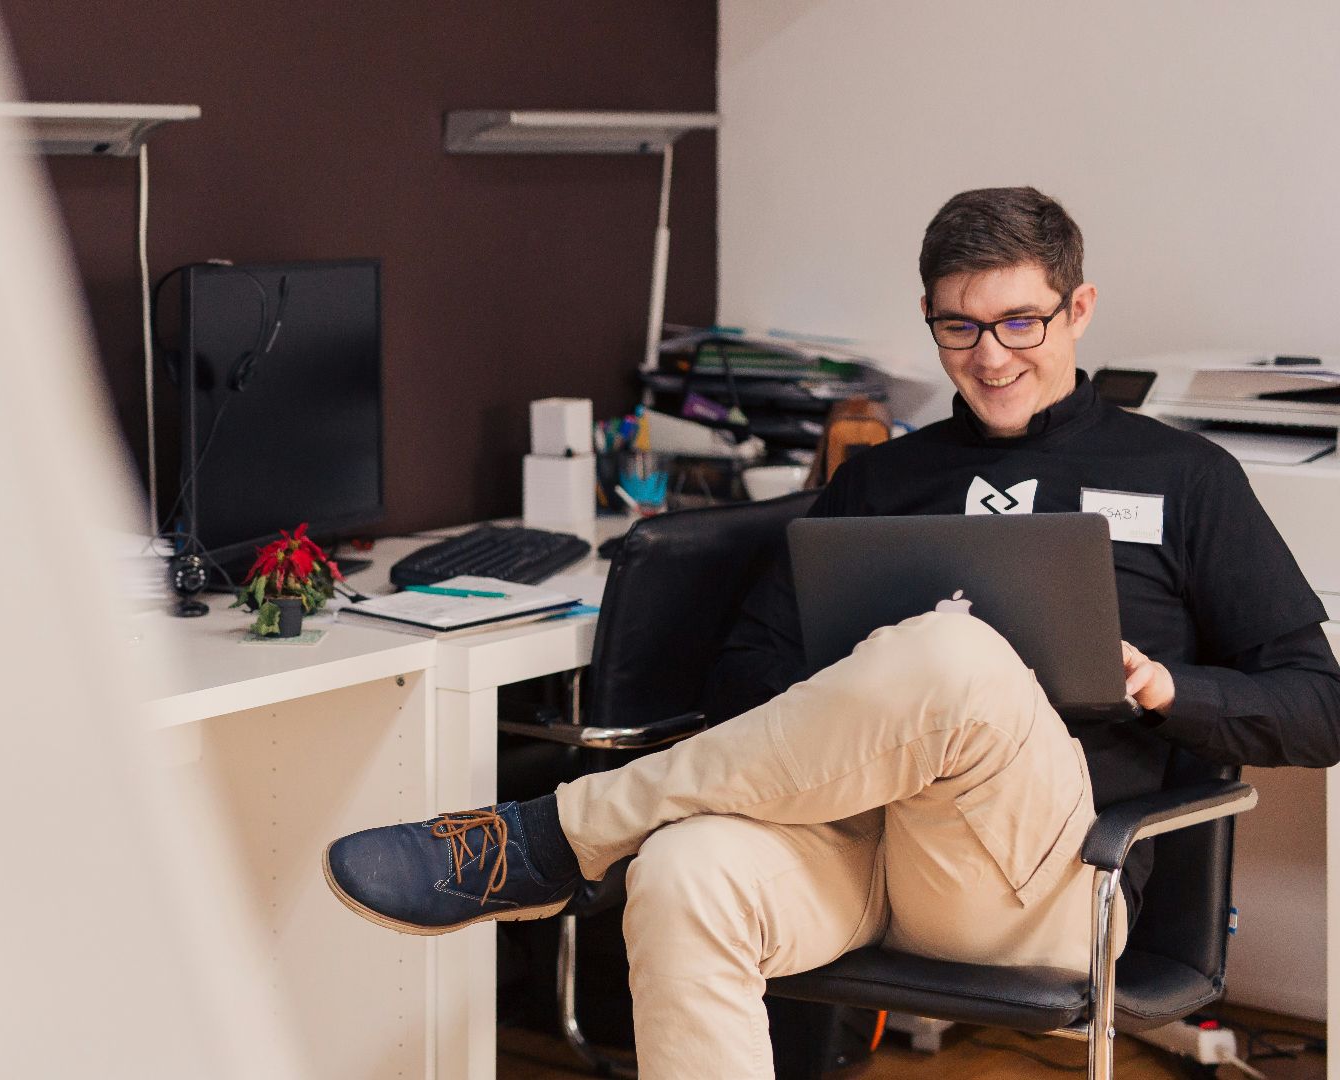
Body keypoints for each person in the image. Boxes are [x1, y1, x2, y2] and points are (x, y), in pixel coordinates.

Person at [322, 187, 1340, 1078]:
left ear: (1079, 309)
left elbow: (1319, 708)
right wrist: (864, 689)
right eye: (958, 328)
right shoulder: (881, 478)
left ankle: (556, 835)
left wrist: (1166, 688)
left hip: (1043, 882)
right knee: (682, 874)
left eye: (1020, 323)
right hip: (852, 849)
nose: (989, 357)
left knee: (955, 653)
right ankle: (578, 840)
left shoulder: (1186, 478)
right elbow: (746, 674)